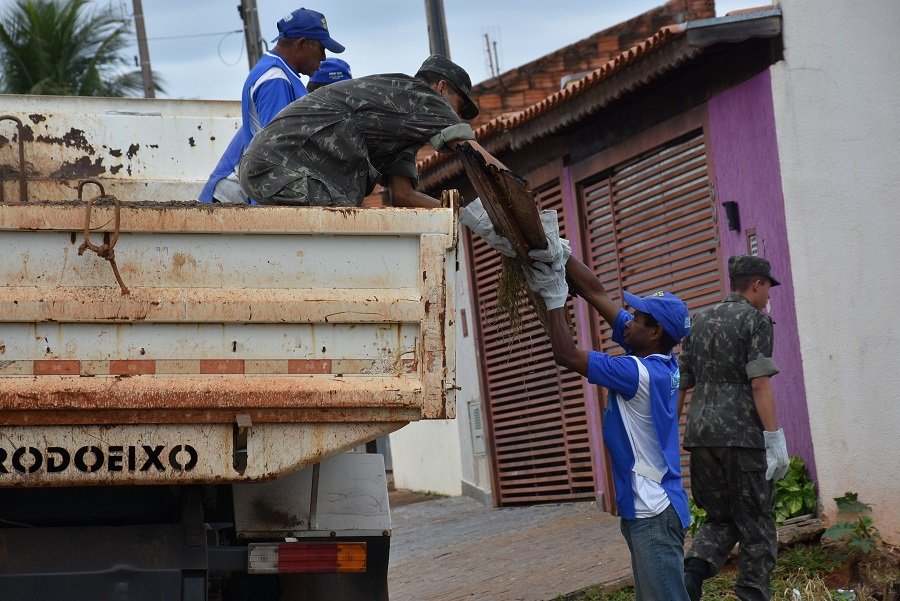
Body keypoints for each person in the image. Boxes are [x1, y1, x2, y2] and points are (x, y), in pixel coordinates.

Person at [463, 206, 693, 600]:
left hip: (653, 511)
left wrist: (554, 296)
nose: (628, 320)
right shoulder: (660, 359)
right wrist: (558, 252)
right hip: (653, 508)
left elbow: (566, 354)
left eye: (637, 318)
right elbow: (594, 291)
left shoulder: (639, 373)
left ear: (654, 332)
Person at [239, 55, 505, 208]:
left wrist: (459, 214)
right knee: (344, 217)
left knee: (345, 212)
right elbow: (472, 151)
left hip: (267, 170)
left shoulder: (400, 129)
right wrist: (510, 186)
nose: (454, 116)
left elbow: (403, 195)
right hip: (275, 168)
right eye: (457, 107)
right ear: (442, 87)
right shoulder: (420, 96)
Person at [677, 255, 789, 601]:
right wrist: (774, 437)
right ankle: (753, 594)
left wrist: (670, 432)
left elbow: (682, 382)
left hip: (700, 436)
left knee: (719, 518)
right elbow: (759, 383)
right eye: (767, 286)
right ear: (756, 283)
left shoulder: (699, 319)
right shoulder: (755, 321)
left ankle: (691, 576)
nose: (769, 295)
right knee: (757, 522)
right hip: (742, 438)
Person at [199, 7, 344, 204]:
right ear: (302, 44)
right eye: (321, 48)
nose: (324, 57)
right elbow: (279, 148)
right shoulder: (275, 79)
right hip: (234, 199)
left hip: (250, 190)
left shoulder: (280, 73)